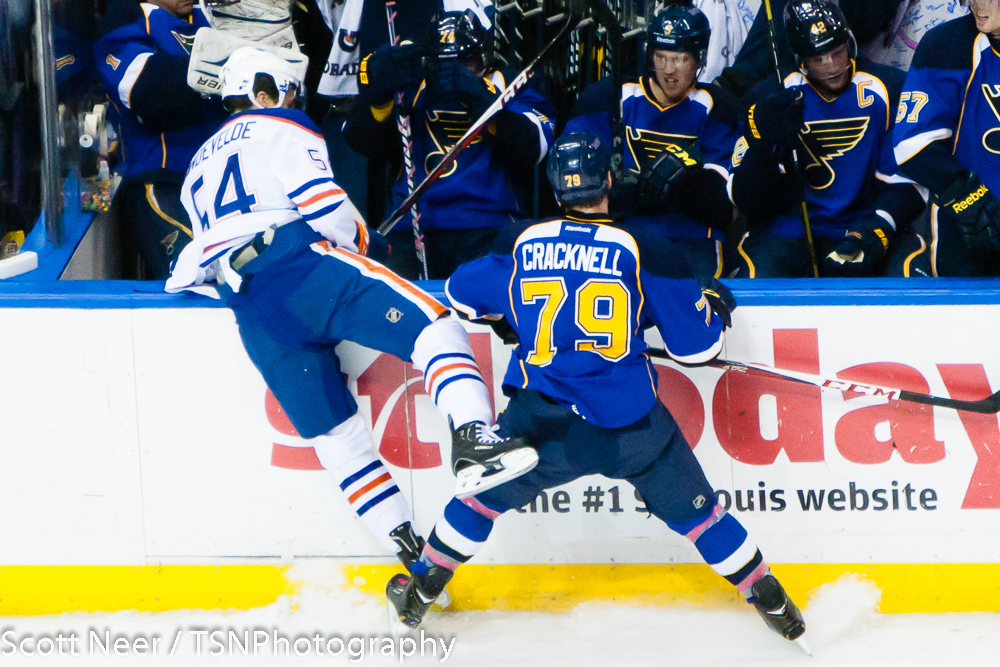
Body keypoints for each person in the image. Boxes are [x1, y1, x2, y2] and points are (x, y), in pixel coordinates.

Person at [385, 132, 807, 651]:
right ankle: (772, 602)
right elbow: (696, 350)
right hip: (629, 426)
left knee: (478, 502)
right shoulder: (646, 247)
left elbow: (462, 297)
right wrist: (715, 309)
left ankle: (420, 586)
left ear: (555, 187)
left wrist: (517, 319)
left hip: (539, 422)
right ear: (608, 180)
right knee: (701, 516)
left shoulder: (517, 239)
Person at [165, 47, 538, 566]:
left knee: (335, 436)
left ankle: (410, 556)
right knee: (434, 326)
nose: (293, 100)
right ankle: (474, 437)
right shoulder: (279, 124)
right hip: (300, 268)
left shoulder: (195, 166)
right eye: (286, 90)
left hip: (252, 308)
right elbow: (328, 210)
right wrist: (364, 243)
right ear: (261, 89)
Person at [343, 9, 556, 279]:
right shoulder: (410, 83)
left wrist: (484, 102)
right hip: (410, 223)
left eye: (464, 60)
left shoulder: (515, 82)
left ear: (485, 53)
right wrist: (379, 98)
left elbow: (536, 147)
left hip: (487, 223)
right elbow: (360, 142)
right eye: (444, 60)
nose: (452, 69)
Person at [728, 0, 925, 278]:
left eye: (837, 52)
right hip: (788, 229)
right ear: (800, 58)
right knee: (753, 276)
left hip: (864, 222)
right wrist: (763, 149)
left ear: (850, 43)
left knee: (909, 275)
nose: (832, 66)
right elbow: (742, 197)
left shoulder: (891, 88)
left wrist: (877, 227)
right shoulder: (768, 99)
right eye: (819, 59)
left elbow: (908, 183)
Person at [564, 5, 741, 284]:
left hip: (693, 237)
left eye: (680, 59)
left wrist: (670, 186)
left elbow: (721, 201)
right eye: (661, 57)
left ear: (699, 58)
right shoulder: (609, 96)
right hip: (622, 231)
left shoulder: (720, 108)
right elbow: (572, 161)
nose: (669, 70)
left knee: (698, 297)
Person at [95, 0, 228, 278]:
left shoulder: (216, 15)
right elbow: (146, 89)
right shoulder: (127, 19)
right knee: (195, 275)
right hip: (163, 181)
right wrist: (233, 65)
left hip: (226, 176)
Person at [892, 0, 1000, 277]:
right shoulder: (946, 45)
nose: (977, 4)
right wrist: (970, 200)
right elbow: (912, 144)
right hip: (969, 230)